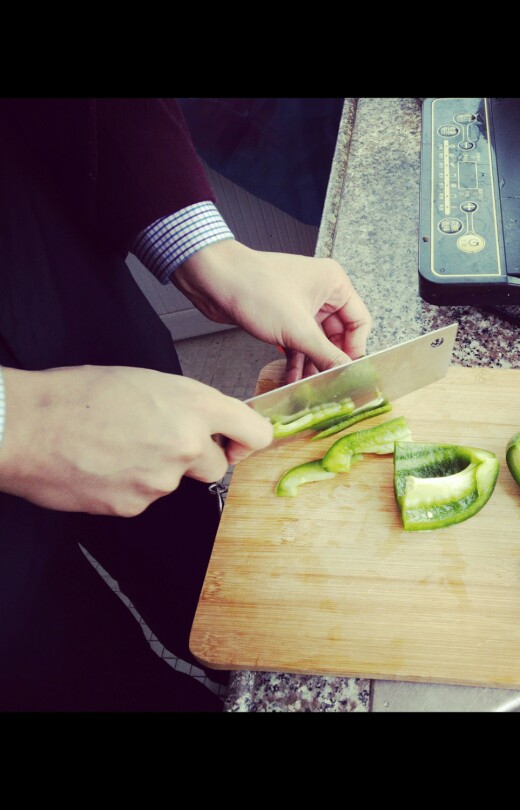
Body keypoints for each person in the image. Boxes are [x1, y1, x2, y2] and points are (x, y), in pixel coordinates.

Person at [0, 98, 372, 712]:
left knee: (199, 560)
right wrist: (20, 424)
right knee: (70, 674)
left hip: (46, 267)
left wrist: (208, 255)